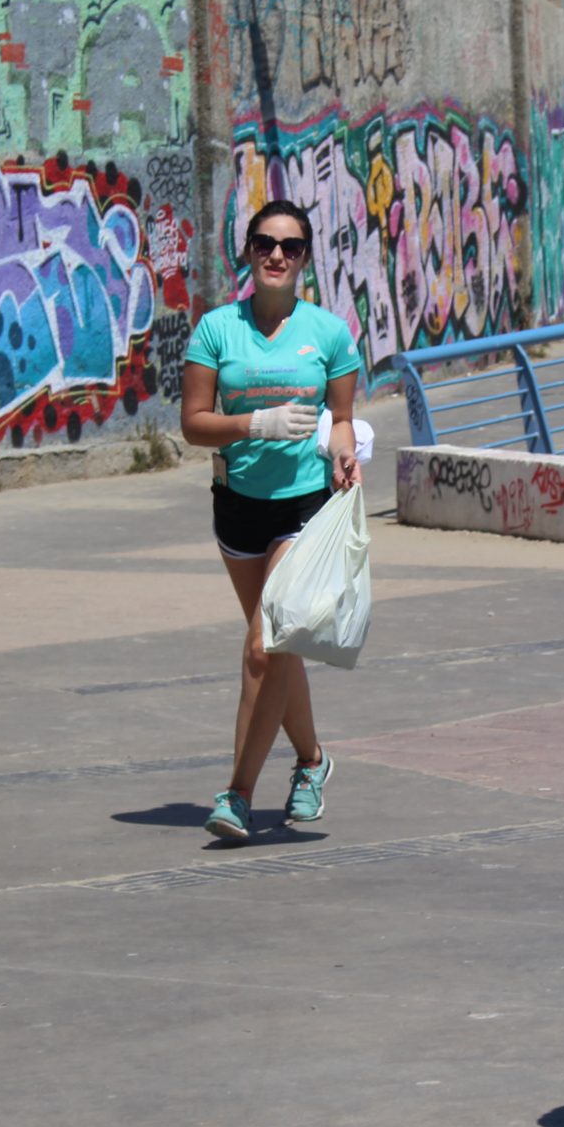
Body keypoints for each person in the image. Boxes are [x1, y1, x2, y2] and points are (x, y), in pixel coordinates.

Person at [181, 200, 362, 845]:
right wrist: (253, 424)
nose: (276, 255)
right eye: (264, 243)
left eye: (289, 245)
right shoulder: (215, 330)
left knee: (264, 647)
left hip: (301, 506)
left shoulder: (330, 333)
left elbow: (341, 420)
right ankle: (313, 762)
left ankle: (237, 795)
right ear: (249, 252)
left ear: (306, 257)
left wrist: (343, 452)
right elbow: (193, 423)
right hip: (236, 506)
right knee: (278, 653)